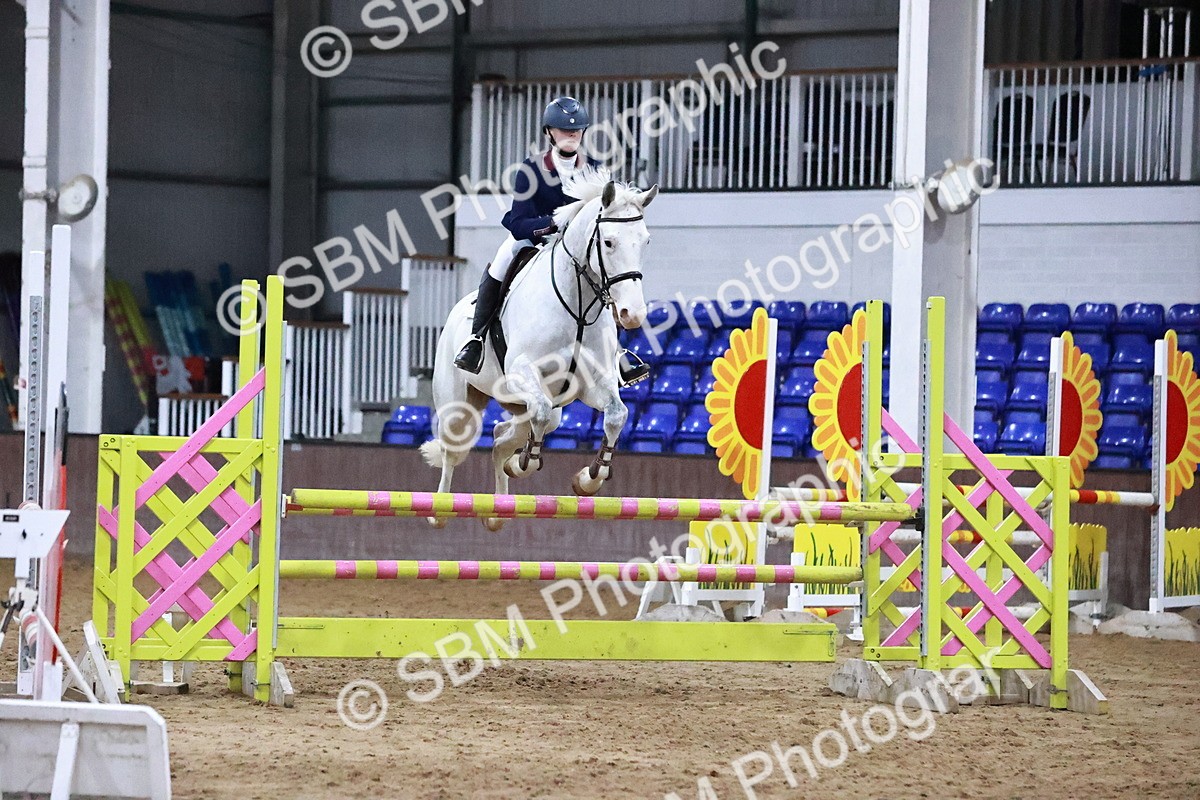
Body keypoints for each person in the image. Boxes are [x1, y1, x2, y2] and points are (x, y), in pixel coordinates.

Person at [454, 96, 650, 386]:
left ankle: (616, 355)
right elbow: (518, 222)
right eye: (564, 130)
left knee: (605, 277)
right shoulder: (531, 169)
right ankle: (477, 339)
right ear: (549, 132)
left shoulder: (596, 169)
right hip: (535, 241)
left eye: (576, 130)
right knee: (501, 262)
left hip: (576, 250)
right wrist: (551, 224)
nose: (571, 135)